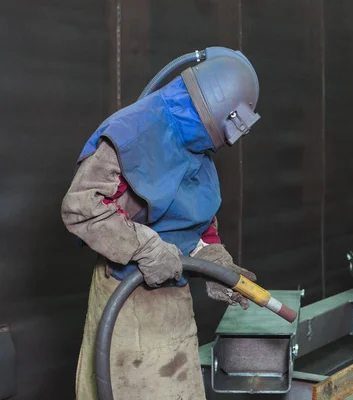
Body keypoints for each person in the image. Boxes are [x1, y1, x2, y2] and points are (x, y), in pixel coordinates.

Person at [61, 47, 261, 400]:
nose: (228, 141)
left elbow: (196, 220)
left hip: (174, 305)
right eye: (228, 129)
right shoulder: (133, 131)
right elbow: (83, 207)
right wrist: (145, 247)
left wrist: (212, 258)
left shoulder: (198, 148)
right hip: (126, 301)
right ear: (216, 109)